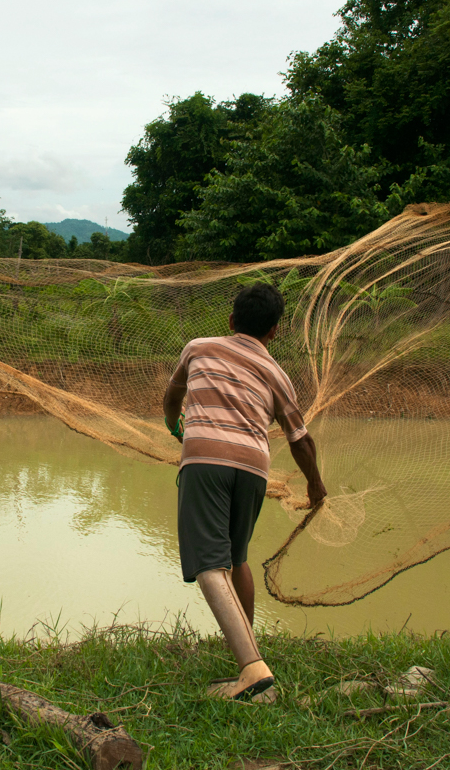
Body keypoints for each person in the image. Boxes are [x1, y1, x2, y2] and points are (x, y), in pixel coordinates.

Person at [162, 282, 327, 701]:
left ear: (231, 321)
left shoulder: (198, 347)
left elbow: (172, 396)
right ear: (274, 331)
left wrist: (174, 425)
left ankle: (253, 670)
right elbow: (300, 439)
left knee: (207, 565)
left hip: (205, 462)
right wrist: (315, 482)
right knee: (236, 557)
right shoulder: (277, 374)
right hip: (254, 468)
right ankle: (246, 650)